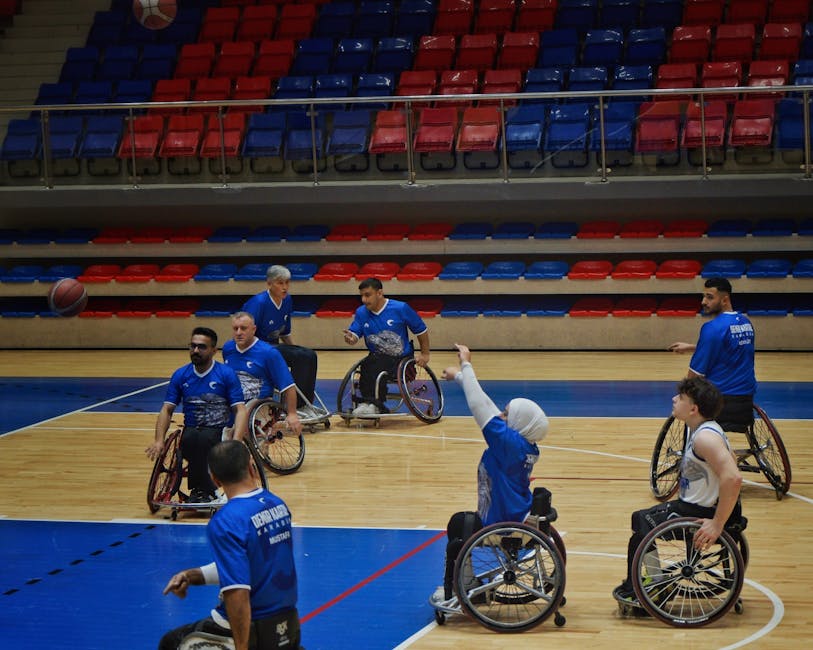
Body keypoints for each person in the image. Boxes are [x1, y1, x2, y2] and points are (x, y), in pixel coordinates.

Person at [430, 343, 549, 603]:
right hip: (517, 517)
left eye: (507, 414)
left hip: (502, 524)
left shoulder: (508, 443)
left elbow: (478, 405)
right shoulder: (522, 444)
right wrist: (460, 377)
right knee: (462, 522)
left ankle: (460, 588)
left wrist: (466, 364)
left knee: (458, 525)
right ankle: (469, 582)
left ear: (519, 423)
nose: (501, 415)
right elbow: (489, 407)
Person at [613, 376, 744, 605]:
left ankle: (647, 589)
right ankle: (651, 584)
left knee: (642, 521)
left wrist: (717, 523)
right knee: (646, 517)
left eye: (681, 397)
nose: (674, 399)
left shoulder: (705, 438)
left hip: (698, 513)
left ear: (693, 409)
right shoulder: (708, 430)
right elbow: (732, 461)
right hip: (701, 507)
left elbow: (733, 477)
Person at [158, 440, 300, 650]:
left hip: (253, 626)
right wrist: (191, 575)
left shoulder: (227, 520)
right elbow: (252, 564)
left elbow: (238, 593)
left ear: (215, 479)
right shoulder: (277, 504)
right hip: (288, 624)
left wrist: (242, 647)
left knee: (170, 643)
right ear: (251, 467)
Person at [145, 327, 248, 504]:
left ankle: (203, 490)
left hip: (219, 429)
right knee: (192, 438)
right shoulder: (181, 375)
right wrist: (159, 440)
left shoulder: (226, 374)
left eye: (201, 347)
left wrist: (236, 441)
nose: (195, 351)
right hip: (192, 430)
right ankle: (204, 489)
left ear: (214, 350)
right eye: (192, 346)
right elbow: (166, 410)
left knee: (202, 439)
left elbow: (240, 410)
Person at [668, 277, 756, 430]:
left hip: (718, 402)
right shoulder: (745, 323)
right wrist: (692, 347)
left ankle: (693, 451)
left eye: (709, 297)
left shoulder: (712, 328)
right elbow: (728, 348)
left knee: (687, 398)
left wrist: (682, 396)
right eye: (703, 296)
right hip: (746, 400)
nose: (703, 302)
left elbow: (694, 376)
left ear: (724, 299)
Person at [342, 277, 431, 416]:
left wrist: (425, 354)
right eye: (362, 296)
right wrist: (350, 338)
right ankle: (367, 403)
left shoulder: (400, 308)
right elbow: (354, 335)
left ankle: (374, 404)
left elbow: (421, 330)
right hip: (376, 358)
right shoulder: (361, 312)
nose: (364, 300)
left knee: (373, 363)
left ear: (379, 293)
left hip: (400, 360)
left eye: (367, 295)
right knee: (368, 363)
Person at [241, 265, 319, 416]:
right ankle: (296, 406)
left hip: (274, 348)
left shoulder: (287, 300)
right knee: (300, 356)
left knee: (309, 354)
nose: (285, 287)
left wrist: (295, 348)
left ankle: (305, 404)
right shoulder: (258, 303)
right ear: (269, 284)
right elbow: (245, 334)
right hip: (258, 350)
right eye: (280, 283)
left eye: (287, 283)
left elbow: (285, 332)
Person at [222, 311, 302, 437]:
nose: (238, 333)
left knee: (241, 421)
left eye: (243, 328)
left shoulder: (269, 353)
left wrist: (292, 414)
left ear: (253, 329)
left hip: (258, 405)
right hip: (233, 402)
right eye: (235, 328)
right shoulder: (228, 348)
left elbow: (289, 386)